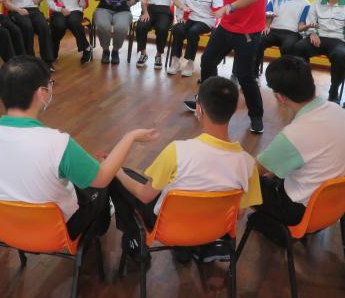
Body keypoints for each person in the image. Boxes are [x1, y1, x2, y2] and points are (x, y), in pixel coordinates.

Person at [0, 56, 159, 239]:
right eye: (50, 84)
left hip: (5, 226)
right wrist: (130, 137)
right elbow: (102, 178)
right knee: (105, 180)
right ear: (42, 93)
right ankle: (98, 229)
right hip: (55, 231)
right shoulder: (56, 143)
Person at [111, 76, 262, 263]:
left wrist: (117, 171)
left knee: (121, 177)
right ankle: (188, 247)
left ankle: (135, 243)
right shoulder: (248, 164)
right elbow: (238, 214)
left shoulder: (177, 151)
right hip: (214, 230)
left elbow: (144, 195)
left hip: (168, 230)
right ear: (233, 111)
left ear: (199, 109)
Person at [245, 56, 345, 246]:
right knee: (274, 174)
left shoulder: (294, 135)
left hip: (302, 210)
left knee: (245, 180)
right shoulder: (335, 109)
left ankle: (270, 224)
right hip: (336, 201)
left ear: (280, 97)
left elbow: (253, 171)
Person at [184, 0, 268, 135]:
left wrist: (228, 7)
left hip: (247, 29)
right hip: (228, 26)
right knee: (208, 61)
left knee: (245, 75)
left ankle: (256, 116)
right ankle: (205, 104)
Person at [0, 0, 56, 69]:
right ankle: (30, 59)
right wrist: (18, 10)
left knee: (44, 26)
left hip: (33, 9)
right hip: (15, 10)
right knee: (27, 26)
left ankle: (47, 61)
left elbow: (35, 1)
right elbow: (6, 3)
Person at [166, 0, 223, 77]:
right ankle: (176, 61)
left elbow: (218, 9)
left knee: (193, 31)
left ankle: (190, 63)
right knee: (177, 29)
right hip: (190, 18)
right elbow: (180, 4)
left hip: (206, 20)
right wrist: (180, 17)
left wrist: (217, 16)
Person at [255, 0, 311, 76]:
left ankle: (284, 75)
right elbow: (267, 16)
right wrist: (266, 26)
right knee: (257, 41)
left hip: (292, 33)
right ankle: (253, 72)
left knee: (288, 47)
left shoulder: (305, 3)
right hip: (273, 31)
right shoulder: (274, 0)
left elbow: (302, 23)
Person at [135, 0, 184, 70]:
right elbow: (144, 0)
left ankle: (158, 55)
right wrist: (145, 12)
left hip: (164, 12)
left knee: (162, 28)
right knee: (141, 26)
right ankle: (143, 53)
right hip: (149, 11)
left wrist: (182, 6)